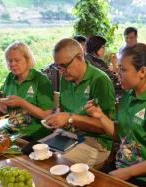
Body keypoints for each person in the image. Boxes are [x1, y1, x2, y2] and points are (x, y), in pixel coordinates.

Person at [86, 43, 146, 187]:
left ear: (142, 71)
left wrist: (128, 172)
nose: (118, 74)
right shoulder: (129, 94)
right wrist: (100, 115)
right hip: (126, 164)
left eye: (123, 70)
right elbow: (123, 135)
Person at [45, 38, 116, 166]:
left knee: (56, 162)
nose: (61, 71)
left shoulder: (100, 80)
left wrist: (70, 118)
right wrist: (57, 117)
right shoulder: (65, 78)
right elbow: (62, 109)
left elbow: (104, 127)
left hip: (96, 142)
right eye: (58, 67)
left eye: (64, 66)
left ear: (79, 58)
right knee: (38, 152)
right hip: (69, 135)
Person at [0, 41, 55, 140]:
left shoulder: (40, 79)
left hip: (33, 132)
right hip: (11, 128)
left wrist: (22, 103)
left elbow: (47, 116)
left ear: (27, 60)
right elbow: (4, 110)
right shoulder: (10, 77)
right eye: (9, 60)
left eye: (17, 60)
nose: (12, 64)